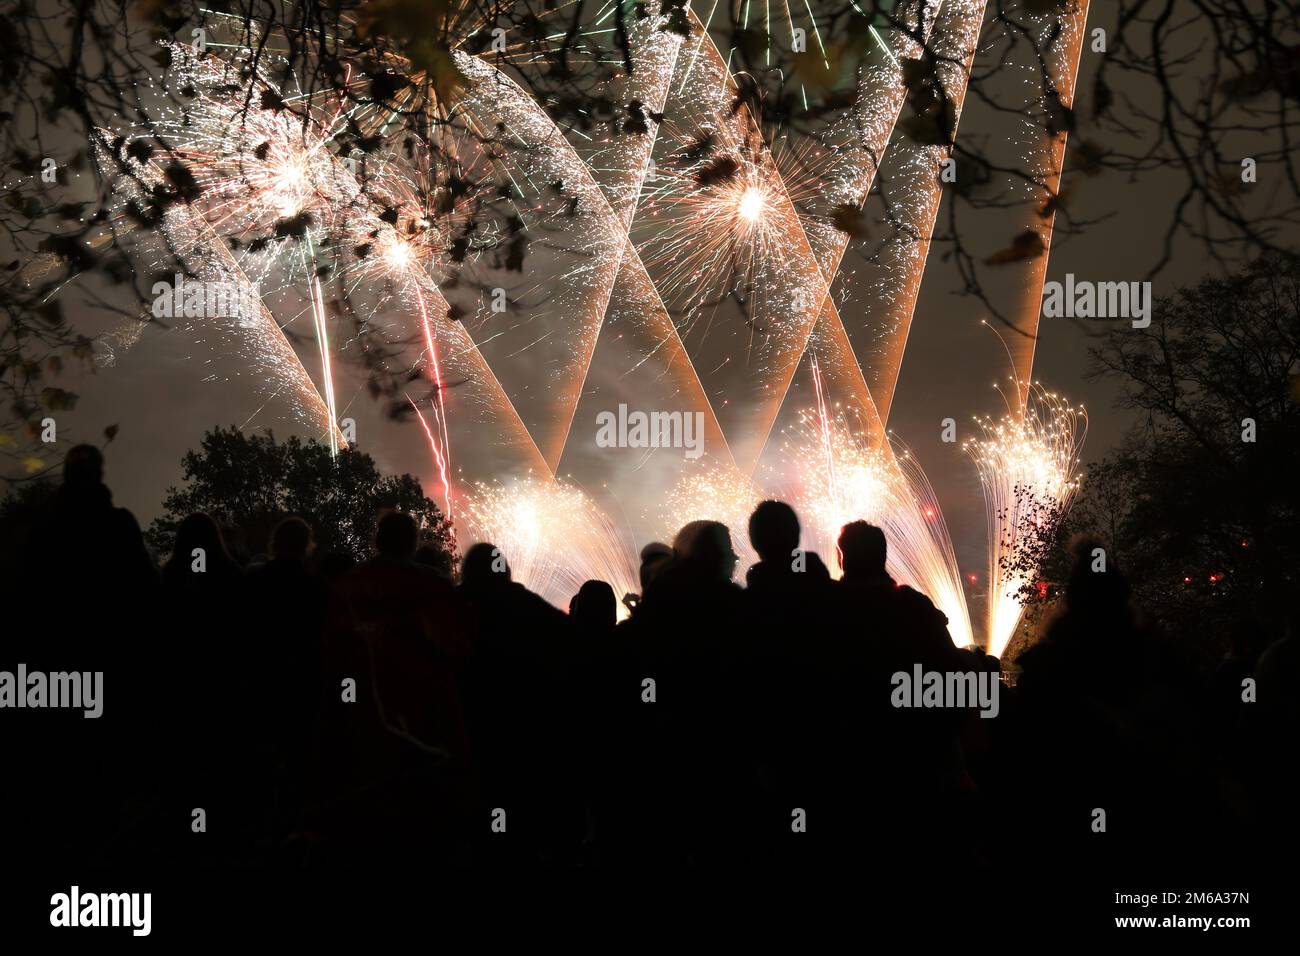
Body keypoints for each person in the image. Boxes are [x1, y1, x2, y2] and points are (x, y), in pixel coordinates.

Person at [318, 511, 475, 862]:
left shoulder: (347, 586)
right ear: (413, 543)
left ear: (377, 541)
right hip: (423, 717)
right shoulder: (434, 586)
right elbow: (458, 650)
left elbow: (329, 652)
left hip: (362, 722)